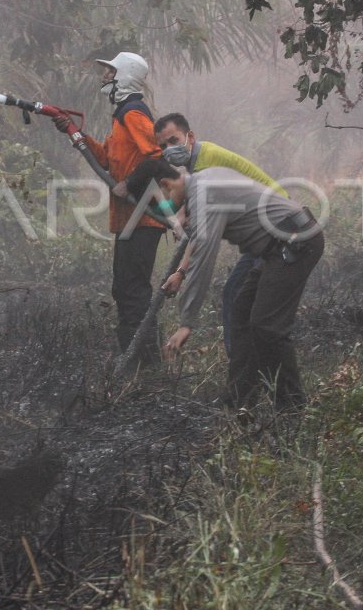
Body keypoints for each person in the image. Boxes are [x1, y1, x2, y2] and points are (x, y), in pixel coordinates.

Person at [126, 159, 324, 410]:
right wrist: (180, 271)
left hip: (297, 243)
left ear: (165, 185)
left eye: (158, 203)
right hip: (278, 247)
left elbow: (204, 258)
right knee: (241, 310)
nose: (164, 210)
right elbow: (198, 240)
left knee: (267, 327)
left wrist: (186, 323)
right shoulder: (200, 184)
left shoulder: (204, 194)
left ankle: (292, 410)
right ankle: (239, 404)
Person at [54, 52, 163, 357]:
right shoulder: (121, 117)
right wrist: (74, 132)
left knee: (133, 289)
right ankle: (132, 357)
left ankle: (142, 362)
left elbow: (155, 156)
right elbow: (106, 159)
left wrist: (128, 184)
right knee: (124, 288)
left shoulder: (133, 112)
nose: (105, 77)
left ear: (125, 77)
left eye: (110, 72)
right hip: (131, 218)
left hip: (144, 217)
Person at [153, 112, 285, 358]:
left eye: (173, 140)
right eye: (163, 146)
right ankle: (246, 364)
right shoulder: (198, 164)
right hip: (264, 231)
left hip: (274, 228)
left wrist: (181, 273)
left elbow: (204, 235)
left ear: (189, 137)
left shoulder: (206, 163)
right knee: (240, 297)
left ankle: (240, 363)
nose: (169, 150)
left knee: (238, 296)